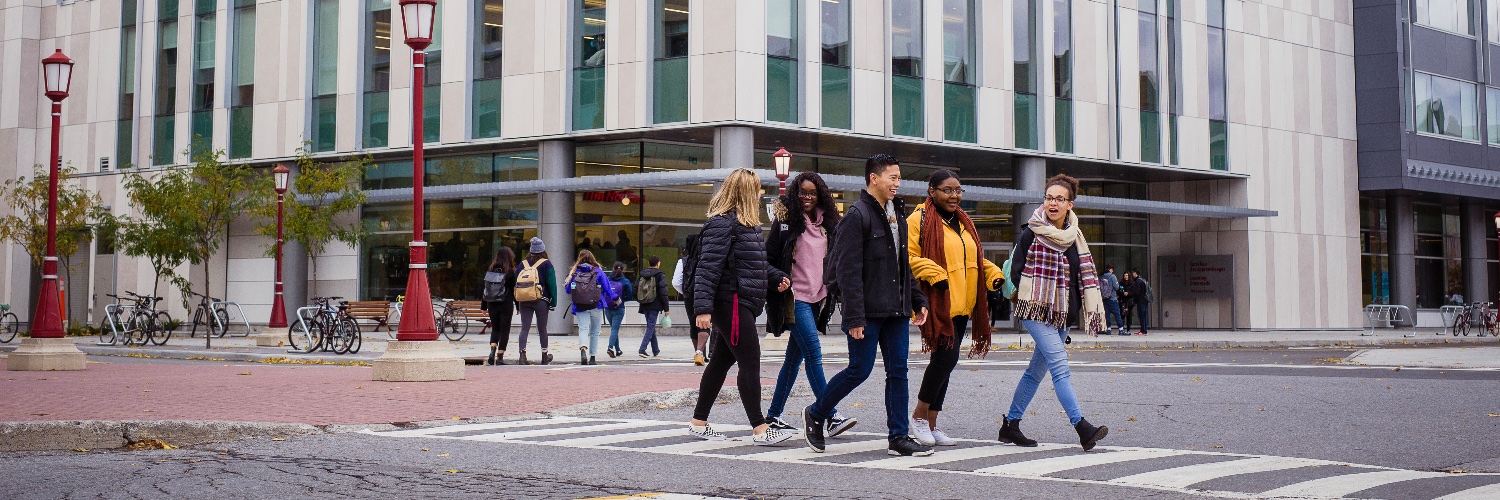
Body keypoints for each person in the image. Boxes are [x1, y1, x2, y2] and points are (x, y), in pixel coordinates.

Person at [803, 154, 932, 457]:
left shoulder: (896, 214)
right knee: (859, 370)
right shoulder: (856, 216)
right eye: (893, 177)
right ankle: (816, 412)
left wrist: (917, 300)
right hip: (867, 311)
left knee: (898, 371)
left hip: (896, 311)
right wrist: (854, 316)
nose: (897, 183)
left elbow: (903, 266)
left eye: (899, 178)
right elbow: (848, 273)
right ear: (874, 178)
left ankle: (898, 437)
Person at [997, 174, 1110, 452]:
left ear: (1070, 204)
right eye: (1049, 197)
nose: (1053, 203)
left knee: (1035, 373)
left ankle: (1010, 425)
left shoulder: (1076, 237)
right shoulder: (1031, 232)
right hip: (1035, 310)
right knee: (1060, 369)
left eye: (1060, 199)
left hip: (1063, 316)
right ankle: (1082, 427)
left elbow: (1080, 279)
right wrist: (1040, 291)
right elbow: (1016, 270)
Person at [687, 168, 793, 446]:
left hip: (738, 301)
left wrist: (775, 277)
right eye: (756, 190)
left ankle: (699, 422)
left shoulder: (745, 225)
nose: (759, 196)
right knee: (750, 361)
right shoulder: (723, 224)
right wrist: (703, 309)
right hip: (731, 302)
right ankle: (759, 428)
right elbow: (707, 268)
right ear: (744, 192)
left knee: (721, 362)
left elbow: (753, 264)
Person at [906, 169, 1004, 447]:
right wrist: (934, 272)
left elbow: (974, 258)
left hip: (962, 304)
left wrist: (992, 272)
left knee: (947, 363)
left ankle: (932, 422)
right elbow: (908, 258)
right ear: (932, 191)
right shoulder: (919, 220)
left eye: (958, 190)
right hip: (938, 300)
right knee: (944, 360)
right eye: (947, 190)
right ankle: (919, 417)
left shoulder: (964, 222)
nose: (954, 195)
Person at [763, 172, 858, 437]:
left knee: (793, 362)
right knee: (814, 354)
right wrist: (779, 277)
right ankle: (829, 414)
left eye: (812, 193)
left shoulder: (828, 224)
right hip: (795, 298)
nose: (807, 197)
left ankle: (773, 417)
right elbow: (767, 259)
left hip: (819, 299)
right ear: (795, 193)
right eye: (802, 192)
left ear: (820, 196)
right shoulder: (785, 223)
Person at [565, 249, 618, 365]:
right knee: (594, 331)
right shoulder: (598, 272)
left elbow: (568, 290)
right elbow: (608, 289)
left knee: (583, 329)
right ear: (592, 259)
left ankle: (583, 348)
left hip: (580, 306)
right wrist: (615, 298)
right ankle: (592, 357)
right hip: (596, 304)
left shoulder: (575, 273)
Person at [515, 237, 556, 365]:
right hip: (541, 300)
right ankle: (544, 355)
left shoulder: (523, 264)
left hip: (524, 299)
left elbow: (516, 282)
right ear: (543, 249)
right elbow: (552, 284)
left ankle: (522, 355)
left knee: (524, 328)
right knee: (542, 328)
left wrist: (517, 303)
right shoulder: (547, 264)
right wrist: (553, 301)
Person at [673, 235, 710, 366]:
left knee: (693, 324)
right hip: (706, 295)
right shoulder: (707, 260)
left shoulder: (683, 262)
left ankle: (698, 352)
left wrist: (686, 292)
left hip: (689, 297)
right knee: (705, 324)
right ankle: (701, 352)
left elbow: (676, 282)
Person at [481, 247, 518, 365]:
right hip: (505, 303)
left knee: (495, 328)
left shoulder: (490, 270)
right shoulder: (510, 272)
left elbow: (486, 289)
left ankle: (492, 351)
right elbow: (514, 291)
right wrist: (518, 306)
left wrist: (484, 306)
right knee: (505, 330)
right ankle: (500, 357)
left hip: (492, 303)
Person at [637, 255, 670, 357]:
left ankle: (655, 350)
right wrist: (666, 308)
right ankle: (642, 349)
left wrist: (640, 300)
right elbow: (664, 292)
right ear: (658, 263)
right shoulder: (660, 275)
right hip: (655, 304)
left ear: (649, 263)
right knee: (651, 326)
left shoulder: (642, 274)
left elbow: (635, 289)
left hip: (644, 304)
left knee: (650, 326)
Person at [603, 261, 635, 358]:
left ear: (613, 269)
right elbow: (630, 295)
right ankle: (610, 347)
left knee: (613, 328)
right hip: (619, 308)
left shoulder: (607, 280)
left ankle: (618, 350)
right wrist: (623, 299)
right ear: (623, 270)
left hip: (608, 308)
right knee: (615, 329)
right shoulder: (625, 281)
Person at [1100, 265, 1124, 336]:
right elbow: (1116, 287)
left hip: (1104, 298)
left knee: (1107, 315)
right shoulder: (1112, 276)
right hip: (1112, 298)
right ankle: (1121, 329)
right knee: (1117, 314)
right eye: (1112, 269)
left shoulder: (1101, 276)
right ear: (1110, 269)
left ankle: (1108, 329)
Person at [1128, 269, 1153, 335]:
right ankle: (1144, 330)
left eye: (1133, 272)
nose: (1132, 274)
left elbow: (1137, 292)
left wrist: (1132, 295)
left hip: (1141, 301)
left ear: (1135, 273)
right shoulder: (1142, 280)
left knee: (1141, 315)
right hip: (1144, 300)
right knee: (1143, 315)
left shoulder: (1138, 281)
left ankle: (1143, 330)